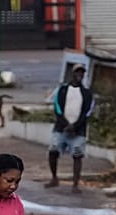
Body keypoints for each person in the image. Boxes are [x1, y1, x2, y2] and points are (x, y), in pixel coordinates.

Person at [47, 64, 94, 194]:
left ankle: (75, 184)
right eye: (77, 72)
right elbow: (57, 108)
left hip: (78, 131)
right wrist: (66, 124)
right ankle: (54, 178)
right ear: (72, 74)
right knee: (53, 151)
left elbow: (88, 112)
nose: (79, 75)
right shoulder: (62, 90)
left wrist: (75, 126)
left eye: (82, 73)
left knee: (77, 156)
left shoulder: (87, 93)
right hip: (61, 129)